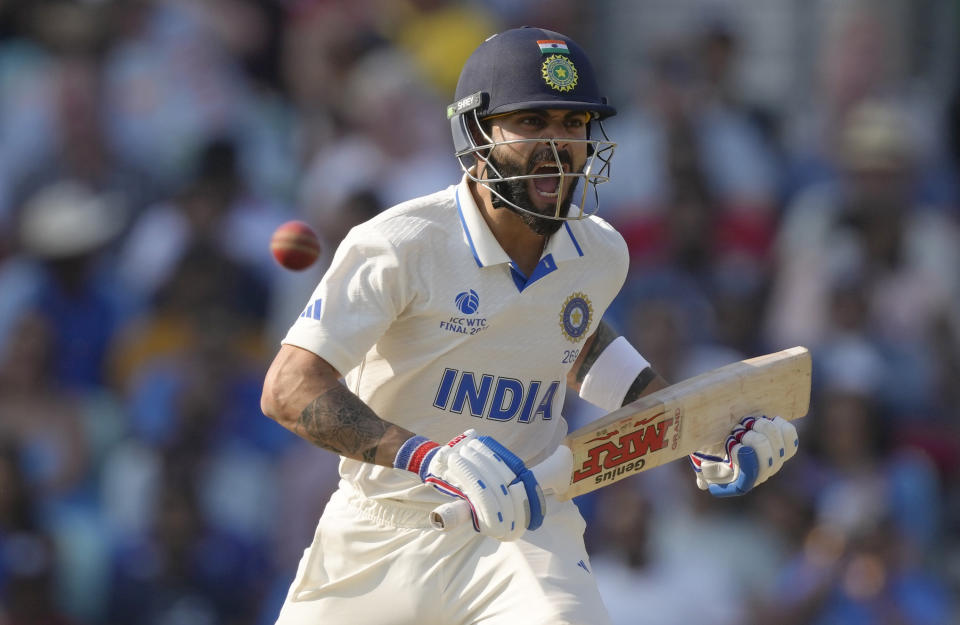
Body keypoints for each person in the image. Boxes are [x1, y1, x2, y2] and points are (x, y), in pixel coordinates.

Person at [261, 26, 798, 625]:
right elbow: (289, 387)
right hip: (378, 532)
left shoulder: (599, 253)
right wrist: (430, 458)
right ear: (478, 134)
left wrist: (702, 429)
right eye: (533, 122)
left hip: (523, 530)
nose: (558, 144)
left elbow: (576, 343)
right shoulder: (399, 243)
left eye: (573, 125)